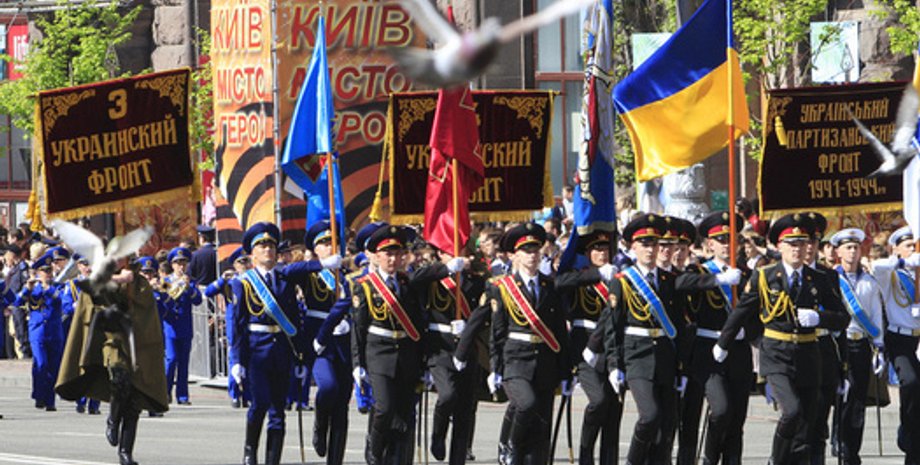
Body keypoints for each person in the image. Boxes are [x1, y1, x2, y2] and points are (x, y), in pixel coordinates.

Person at [713, 213, 850, 465]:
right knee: (792, 411)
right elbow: (743, 311)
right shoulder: (765, 276)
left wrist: (820, 318)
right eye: (791, 244)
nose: (797, 249)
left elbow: (843, 318)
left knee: (807, 423)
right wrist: (724, 342)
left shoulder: (818, 279)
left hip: (809, 355)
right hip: (777, 354)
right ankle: (776, 459)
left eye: (802, 243)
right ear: (779, 246)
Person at [229, 222, 343, 465]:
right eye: (262, 246)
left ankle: (273, 460)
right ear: (252, 253)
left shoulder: (285, 277)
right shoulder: (243, 283)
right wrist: (236, 360)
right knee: (259, 404)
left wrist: (300, 353)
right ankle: (250, 451)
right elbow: (238, 325)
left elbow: (294, 315)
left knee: (278, 411)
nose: (267, 250)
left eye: (271, 245)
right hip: (256, 351)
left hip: (281, 350)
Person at [56, 258, 169, 465]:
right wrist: (116, 280)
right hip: (111, 340)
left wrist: (129, 283)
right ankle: (113, 419)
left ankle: (126, 452)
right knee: (120, 378)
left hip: (136, 344)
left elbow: (146, 311)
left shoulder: (139, 282)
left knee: (134, 400)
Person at [600, 214, 687, 465]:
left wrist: (681, 366)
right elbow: (613, 327)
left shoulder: (669, 281)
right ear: (633, 247)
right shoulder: (623, 282)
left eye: (654, 244)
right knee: (649, 415)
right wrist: (614, 365)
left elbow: (678, 326)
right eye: (645, 244)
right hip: (636, 356)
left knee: (667, 424)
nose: (651, 250)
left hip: (665, 357)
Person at [484, 223, 571, 465]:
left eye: (535, 250)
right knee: (526, 403)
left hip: (545, 361)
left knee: (541, 430)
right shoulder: (502, 288)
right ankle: (509, 444)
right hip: (516, 360)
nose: (532, 255)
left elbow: (559, 331)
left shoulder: (550, 286)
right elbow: (497, 332)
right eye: (526, 250)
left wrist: (566, 372)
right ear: (515, 255)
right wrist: (495, 368)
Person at [676, 211, 748, 465]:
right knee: (721, 409)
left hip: (739, 350)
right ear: (710, 244)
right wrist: (718, 279)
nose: (728, 245)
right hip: (708, 349)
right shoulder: (699, 271)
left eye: (732, 239)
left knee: (737, 418)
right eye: (721, 240)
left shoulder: (746, 273)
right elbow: (682, 283)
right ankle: (709, 458)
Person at [351, 224, 426, 465]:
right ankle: (374, 446)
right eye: (388, 254)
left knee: (404, 413)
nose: (393, 259)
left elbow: (418, 323)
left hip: (406, 354)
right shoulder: (365, 286)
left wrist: (423, 361)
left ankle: (397, 457)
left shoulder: (408, 284)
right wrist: (357, 364)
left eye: (397, 253)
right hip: (378, 353)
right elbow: (359, 328)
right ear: (377, 256)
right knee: (384, 407)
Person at [410, 244, 487, 465]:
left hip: (467, 347)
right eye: (449, 252)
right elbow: (414, 280)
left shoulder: (475, 281)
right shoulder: (433, 278)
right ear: (440, 255)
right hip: (440, 347)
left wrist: (469, 326)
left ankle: (458, 458)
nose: (456, 256)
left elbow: (482, 312)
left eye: (459, 251)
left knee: (465, 411)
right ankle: (438, 432)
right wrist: (446, 269)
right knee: (447, 395)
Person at [555, 230, 622, 465]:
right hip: (584, 348)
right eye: (596, 249)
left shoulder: (618, 278)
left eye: (605, 249)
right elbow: (558, 283)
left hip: (613, 348)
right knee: (599, 400)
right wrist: (596, 275)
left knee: (613, 410)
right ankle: (586, 455)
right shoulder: (580, 277)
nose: (602, 253)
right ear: (587, 253)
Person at [830, 228, 885, 465]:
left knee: (858, 400)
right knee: (843, 395)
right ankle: (840, 442)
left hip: (861, 344)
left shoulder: (869, 282)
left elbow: (875, 315)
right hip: (839, 344)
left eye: (856, 247)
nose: (852, 252)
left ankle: (852, 450)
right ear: (838, 252)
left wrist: (879, 347)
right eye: (848, 247)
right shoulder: (832, 279)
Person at [302, 221, 354, 465]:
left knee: (342, 406)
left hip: (344, 342)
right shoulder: (310, 273)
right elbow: (285, 272)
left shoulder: (348, 277)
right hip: (319, 342)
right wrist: (321, 264)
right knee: (328, 386)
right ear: (315, 250)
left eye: (333, 242)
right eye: (323, 243)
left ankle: (336, 460)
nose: (329, 246)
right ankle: (320, 421)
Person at [871, 225, 920, 465]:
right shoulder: (890, 273)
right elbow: (876, 267)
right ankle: (908, 434)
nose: (913, 250)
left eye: (915, 246)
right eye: (908, 246)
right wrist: (903, 262)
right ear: (896, 248)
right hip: (900, 339)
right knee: (910, 382)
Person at [204, 248, 252, 408]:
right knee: (235, 359)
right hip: (234, 325)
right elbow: (209, 292)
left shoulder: (253, 280)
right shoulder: (230, 281)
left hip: (250, 323)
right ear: (235, 265)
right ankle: (235, 394)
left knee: (250, 360)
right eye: (241, 262)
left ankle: (248, 395)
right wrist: (221, 280)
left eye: (246, 261)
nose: (244, 265)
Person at [18, 250, 65, 411]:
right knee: (41, 364)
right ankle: (39, 396)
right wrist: (27, 289)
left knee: (54, 367)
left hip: (54, 332)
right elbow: (17, 302)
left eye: (49, 271)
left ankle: (50, 401)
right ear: (38, 273)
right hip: (37, 331)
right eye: (44, 271)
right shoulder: (32, 289)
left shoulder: (58, 286)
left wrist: (48, 287)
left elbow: (61, 300)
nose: (48, 274)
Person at [60, 253, 101, 414]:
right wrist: (77, 305)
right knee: (81, 363)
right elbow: (66, 306)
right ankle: (81, 400)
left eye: (90, 264)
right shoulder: (72, 285)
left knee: (96, 363)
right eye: (84, 264)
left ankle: (94, 403)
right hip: (80, 328)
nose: (87, 268)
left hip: (98, 327)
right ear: (78, 266)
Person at [161, 246, 202, 405]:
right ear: (172, 265)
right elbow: (163, 300)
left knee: (183, 363)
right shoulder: (166, 281)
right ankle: (165, 392)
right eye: (178, 263)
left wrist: (189, 287)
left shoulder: (191, 281)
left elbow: (198, 300)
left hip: (185, 326)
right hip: (170, 326)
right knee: (171, 360)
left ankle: (182, 396)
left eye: (184, 263)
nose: (181, 266)